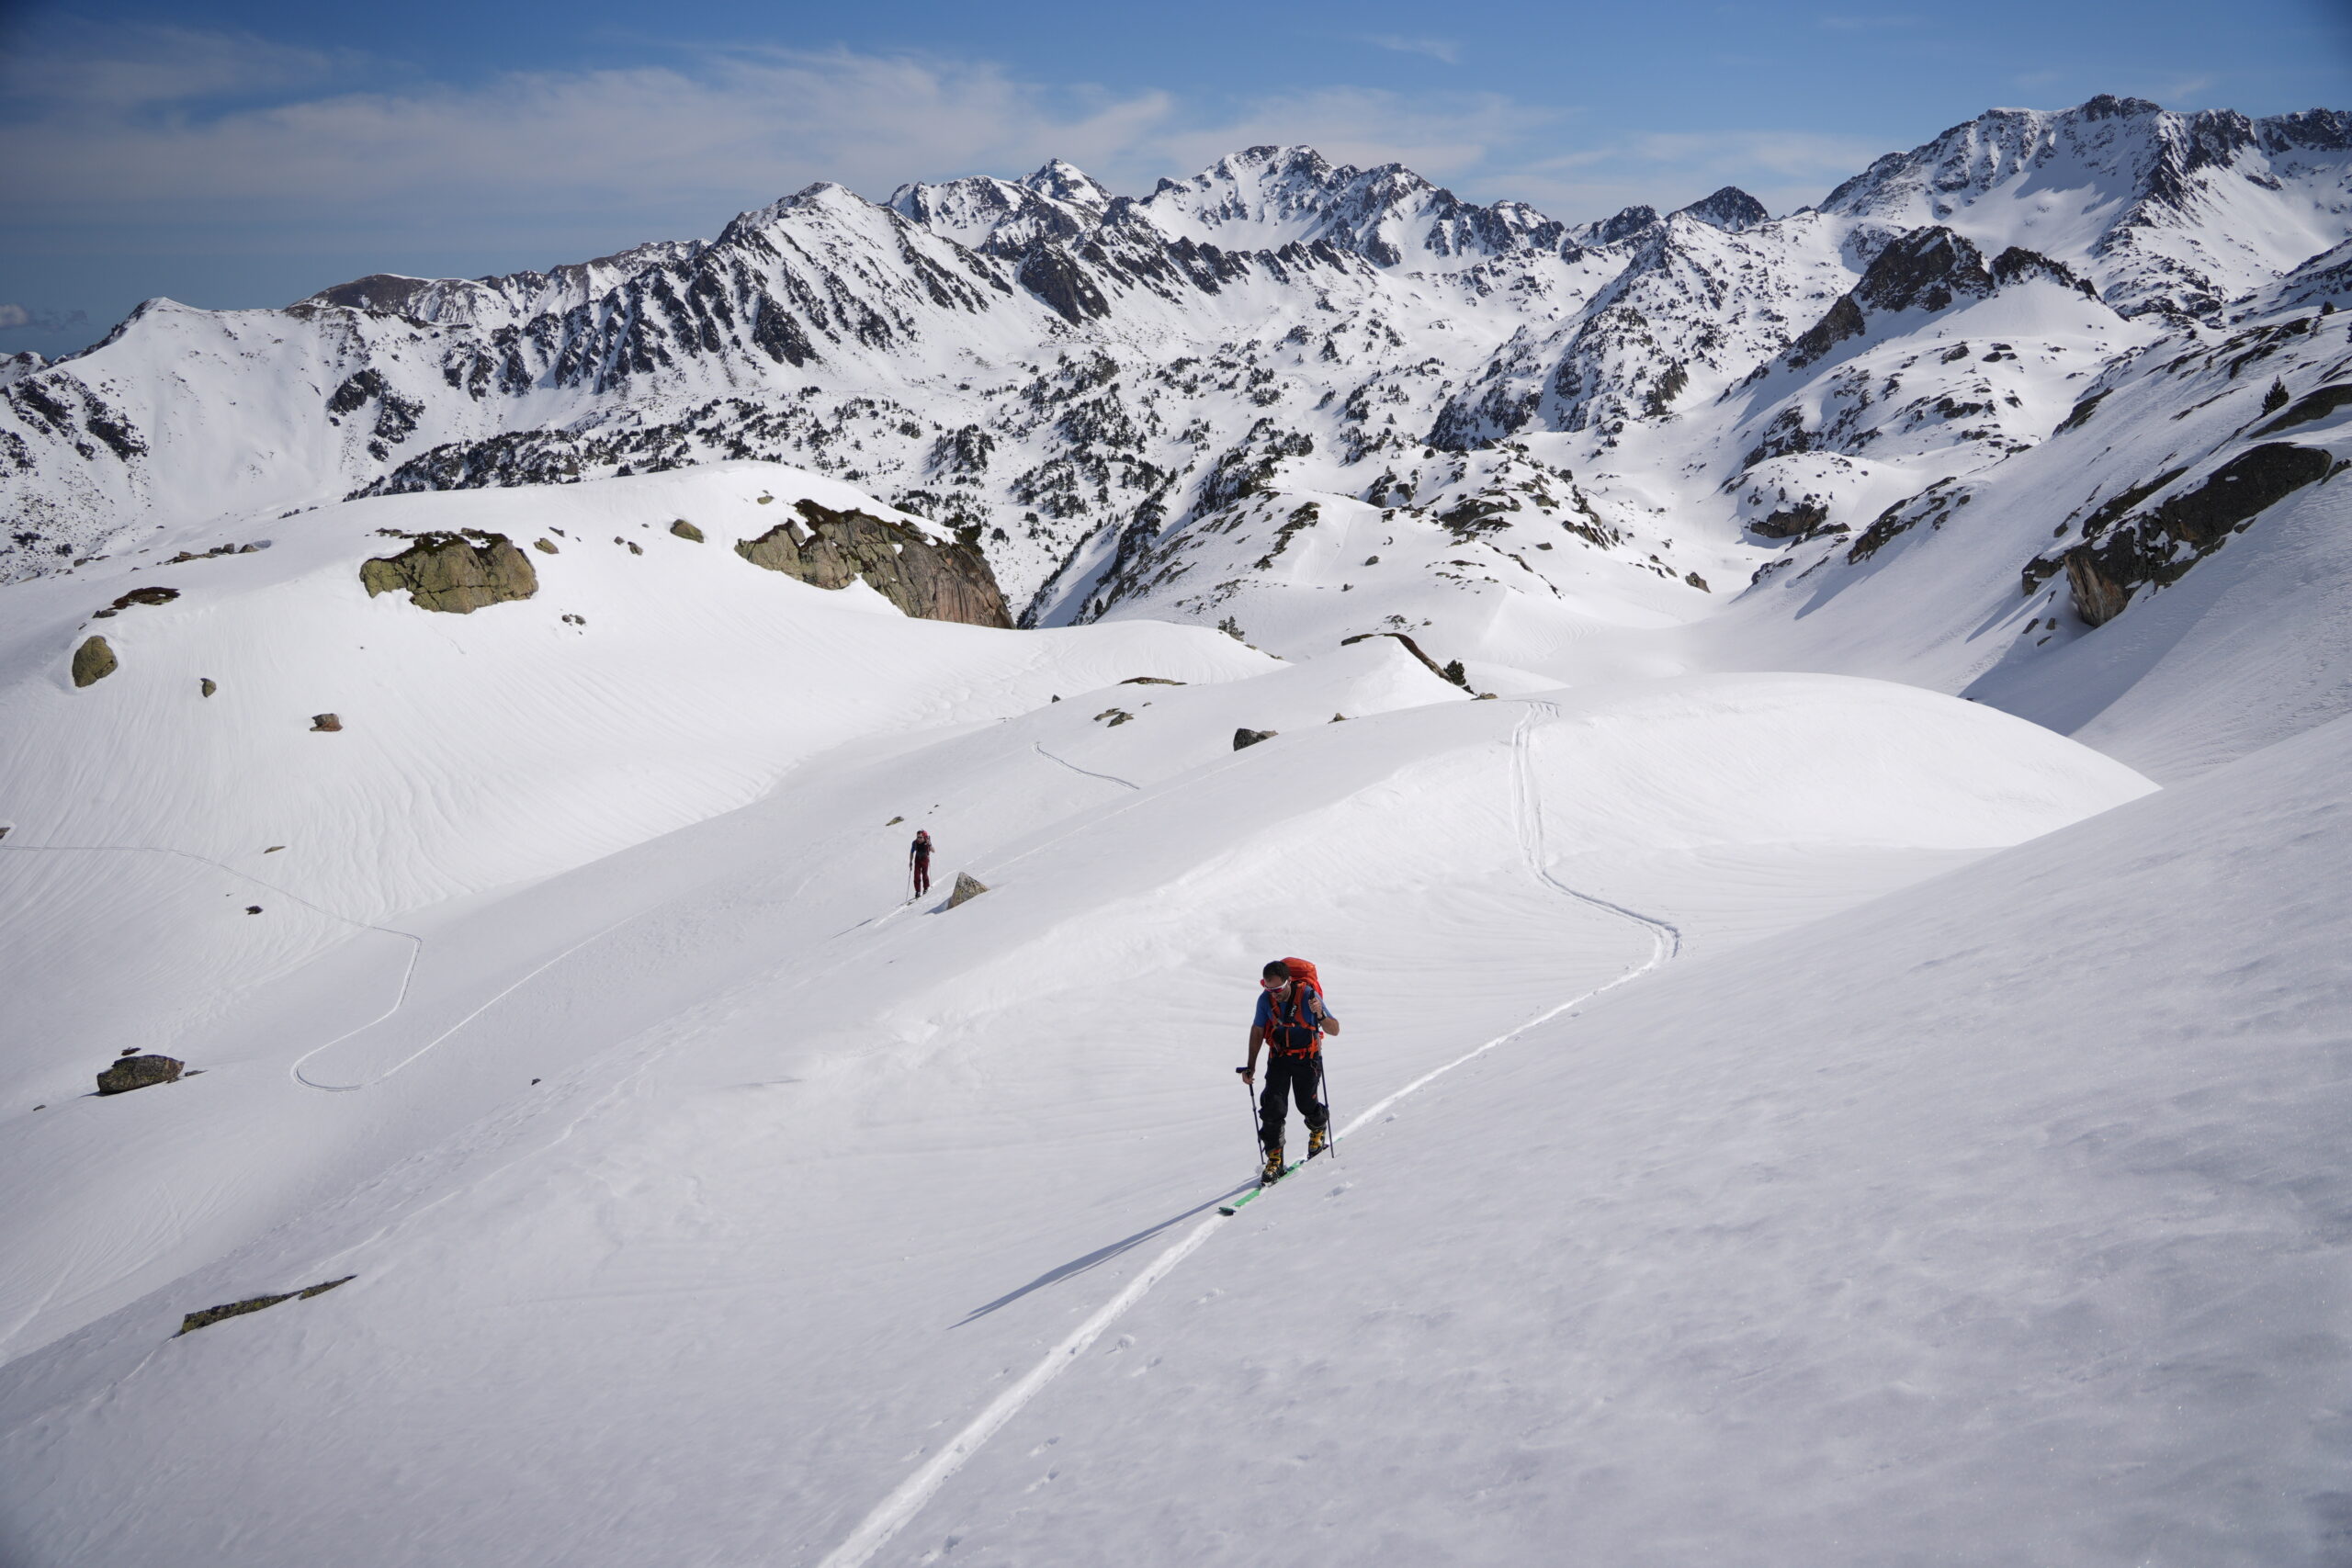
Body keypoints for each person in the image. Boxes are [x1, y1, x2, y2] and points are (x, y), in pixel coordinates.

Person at [1240, 959, 1339, 1182]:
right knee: (1272, 1106)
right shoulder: (1265, 1000)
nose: (1273, 994)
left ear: (1289, 981)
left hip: (1307, 1058)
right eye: (1268, 988)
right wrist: (1251, 1065)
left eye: (1277, 988)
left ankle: (1318, 1128)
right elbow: (1257, 1030)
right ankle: (1275, 1160)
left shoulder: (1308, 995)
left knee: (1305, 1103)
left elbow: (1335, 1030)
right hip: (1279, 1058)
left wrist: (1320, 1015)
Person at [909, 829, 933, 897]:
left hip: (925, 859)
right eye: (918, 837)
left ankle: (926, 888)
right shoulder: (915, 843)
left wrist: (930, 845)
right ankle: (918, 891)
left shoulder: (927, 842)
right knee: (916, 876)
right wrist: (910, 861)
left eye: (920, 837)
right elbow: (912, 852)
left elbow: (933, 850)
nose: (919, 839)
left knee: (924, 874)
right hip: (918, 859)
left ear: (924, 837)